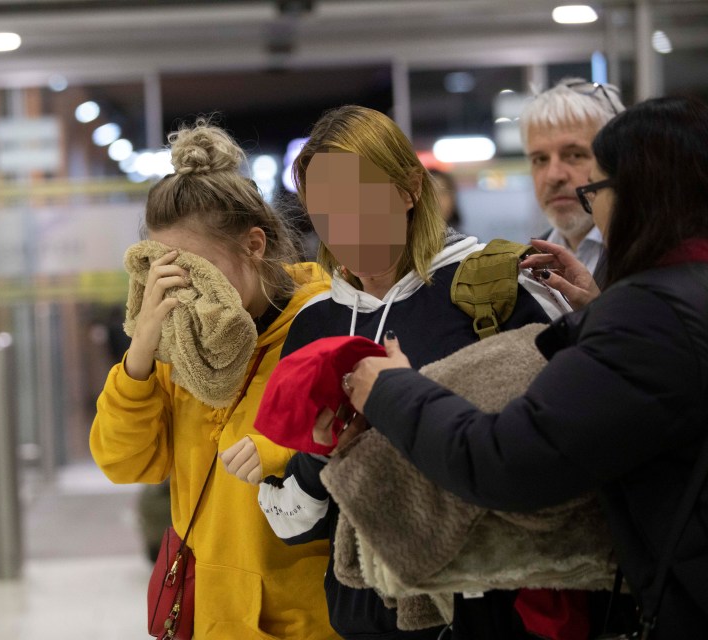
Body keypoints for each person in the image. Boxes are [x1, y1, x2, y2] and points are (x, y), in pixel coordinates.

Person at [343, 95, 708, 639]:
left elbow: (506, 460)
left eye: (588, 176)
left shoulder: (647, 313)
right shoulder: (666, 298)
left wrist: (394, 389)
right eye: (539, 158)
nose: (563, 181)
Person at [239, 105, 569, 640]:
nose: (341, 224)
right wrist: (317, 456)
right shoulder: (313, 325)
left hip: (492, 611)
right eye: (323, 209)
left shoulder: (493, 286)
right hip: (363, 616)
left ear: (410, 189)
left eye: (357, 199)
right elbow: (288, 524)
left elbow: (572, 440)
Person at [89, 119, 337, 640]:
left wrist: (281, 451)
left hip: (306, 617)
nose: (190, 291)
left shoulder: (322, 325)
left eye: (201, 270)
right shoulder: (179, 345)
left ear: (254, 245)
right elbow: (126, 463)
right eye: (170, 271)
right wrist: (140, 355)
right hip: (209, 615)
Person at [522, 77, 625, 286]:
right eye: (540, 159)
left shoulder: (648, 258)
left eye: (574, 155)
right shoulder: (524, 266)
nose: (554, 176)